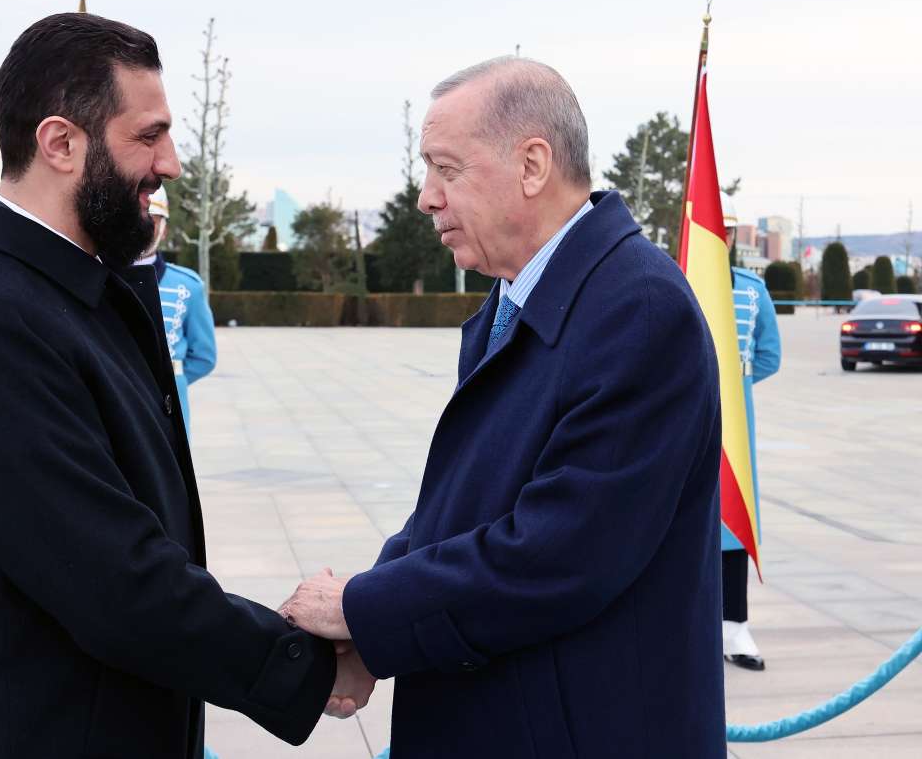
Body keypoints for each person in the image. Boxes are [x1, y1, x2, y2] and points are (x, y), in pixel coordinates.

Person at [0, 13, 370, 759]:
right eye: (148, 136)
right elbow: (110, 578)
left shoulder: (66, 295)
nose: (171, 163)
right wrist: (302, 665)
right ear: (60, 144)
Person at [281, 57, 726, 757]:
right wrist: (370, 628)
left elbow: (560, 554)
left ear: (532, 165)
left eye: (447, 169)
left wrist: (362, 611)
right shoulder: (524, 293)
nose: (426, 197)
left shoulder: (638, 309)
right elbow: (462, 507)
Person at [722, 197, 781, 671]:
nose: (719, 237)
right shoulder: (673, 281)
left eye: (725, 230)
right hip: (678, 416)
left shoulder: (750, 290)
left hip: (734, 424)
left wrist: (732, 387)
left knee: (733, 518)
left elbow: (768, 356)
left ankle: (734, 625)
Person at [132, 188, 217, 434]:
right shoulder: (100, 275)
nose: (143, 224)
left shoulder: (188, 286)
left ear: (164, 229)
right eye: (137, 216)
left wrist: (172, 381)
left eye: (152, 219)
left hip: (165, 408)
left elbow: (204, 356)